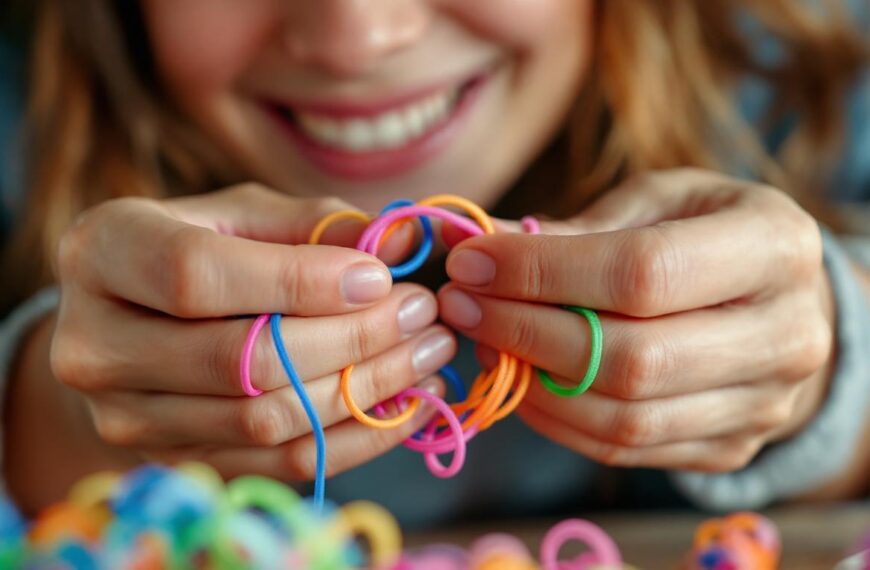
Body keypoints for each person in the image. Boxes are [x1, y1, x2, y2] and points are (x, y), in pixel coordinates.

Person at [1, 0, 869, 529]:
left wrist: (830, 375)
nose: (359, 36)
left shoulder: (804, 60)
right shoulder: (19, 121)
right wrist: (51, 420)